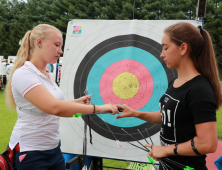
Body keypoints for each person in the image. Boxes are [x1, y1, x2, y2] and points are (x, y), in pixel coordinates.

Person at [5, 24, 119, 170]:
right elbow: (55, 108)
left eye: (61, 46)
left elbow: (50, 106)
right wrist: (98, 109)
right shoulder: (24, 74)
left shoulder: (47, 73)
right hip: (30, 152)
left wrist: (75, 103)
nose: (61, 51)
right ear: (39, 42)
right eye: (56, 45)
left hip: (53, 148)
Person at [116, 22, 221, 170]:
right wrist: (135, 113)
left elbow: (208, 143)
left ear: (183, 48)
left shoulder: (199, 89)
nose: (162, 53)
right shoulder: (176, 82)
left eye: (166, 47)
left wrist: (165, 150)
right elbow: (170, 115)